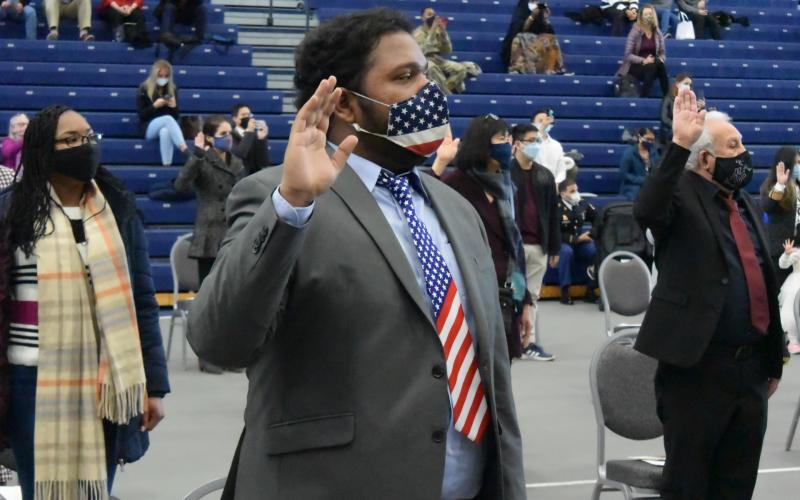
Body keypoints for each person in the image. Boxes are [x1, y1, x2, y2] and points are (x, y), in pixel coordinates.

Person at [186, 8, 525, 499]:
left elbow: (489, 376)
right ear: (344, 103)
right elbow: (218, 341)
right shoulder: (276, 197)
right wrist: (292, 206)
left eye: (425, 74)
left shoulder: (457, 208)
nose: (429, 91)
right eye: (404, 77)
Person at [0, 105, 170, 500]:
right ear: (45, 149)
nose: (84, 146)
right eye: (71, 140)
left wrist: (154, 387)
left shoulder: (119, 209)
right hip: (31, 382)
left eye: (89, 137)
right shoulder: (12, 211)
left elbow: (143, 302)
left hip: (108, 382)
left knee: (96, 489)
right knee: (39, 490)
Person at [634, 89, 786, 499]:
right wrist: (679, 143)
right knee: (689, 487)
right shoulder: (680, 195)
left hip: (750, 370)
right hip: (698, 370)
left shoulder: (743, 203)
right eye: (733, 146)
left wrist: (773, 356)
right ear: (705, 159)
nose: (744, 154)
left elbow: (761, 279)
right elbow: (647, 209)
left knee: (737, 485)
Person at [430, 115, 542, 362]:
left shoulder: (506, 186)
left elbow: (515, 249)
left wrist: (524, 303)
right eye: (501, 138)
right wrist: (439, 163)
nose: (508, 144)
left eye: (509, 138)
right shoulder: (457, 183)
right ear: (483, 144)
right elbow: (425, 205)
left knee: (503, 378)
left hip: (506, 295)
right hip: (471, 295)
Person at [175, 115, 244, 373]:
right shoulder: (202, 160)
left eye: (230, 133)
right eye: (223, 133)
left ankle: (228, 354)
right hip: (208, 234)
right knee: (209, 299)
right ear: (211, 137)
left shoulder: (236, 162)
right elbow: (180, 185)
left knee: (231, 298)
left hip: (232, 231)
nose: (229, 137)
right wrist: (197, 154)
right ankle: (206, 355)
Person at [510, 124, 560, 360]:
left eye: (537, 140)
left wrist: (554, 247)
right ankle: (512, 340)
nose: (536, 145)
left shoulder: (545, 175)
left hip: (538, 245)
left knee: (533, 295)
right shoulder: (505, 173)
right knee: (512, 295)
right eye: (531, 140)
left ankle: (528, 342)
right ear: (517, 144)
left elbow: (553, 213)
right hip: (512, 247)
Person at [414, 7, 481, 94]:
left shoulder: (438, 31)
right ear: (422, 18)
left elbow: (447, 50)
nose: (432, 17)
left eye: (433, 15)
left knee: (461, 69)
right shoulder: (419, 33)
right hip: (424, 60)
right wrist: (432, 32)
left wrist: (444, 32)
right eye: (429, 15)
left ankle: (445, 91)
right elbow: (423, 51)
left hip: (437, 58)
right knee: (432, 68)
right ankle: (447, 95)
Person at [759, 146, 800, 288]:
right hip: (780, 251)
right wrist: (780, 185)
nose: (798, 167)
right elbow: (767, 206)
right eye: (797, 163)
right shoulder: (772, 185)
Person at [137, 59, 189, 167]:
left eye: (166, 76)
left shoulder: (172, 89)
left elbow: (175, 117)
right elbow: (142, 116)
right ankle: (184, 149)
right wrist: (155, 106)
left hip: (166, 125)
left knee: (165, 131)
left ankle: (166, 165)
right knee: (167, 118)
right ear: (155, 75)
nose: (163, 79)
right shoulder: (143, 89)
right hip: (148, 126)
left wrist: (173, 106)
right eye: (160, 75)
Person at [557, 179, 597, 304]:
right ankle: (565, 291)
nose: (576, 193)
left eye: (577, 190)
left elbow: (598, 219)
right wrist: (577, 239)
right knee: (566, 252)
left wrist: (592, 233)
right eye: (572, 191)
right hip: (561, 242)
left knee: (592, 250)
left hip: (579, 241)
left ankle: (591, 288)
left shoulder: (582, 204)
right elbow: (553, 233)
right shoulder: (555, 207)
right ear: (563, 194)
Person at [616, 4, 669, 98]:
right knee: (652, 66)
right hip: (635, 66)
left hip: (653, 64)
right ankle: (662, 96)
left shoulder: (657, 32)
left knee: (658, 64)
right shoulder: (635, 31)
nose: (648, 16)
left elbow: (662, 53)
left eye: (650, 14)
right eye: (646, 14)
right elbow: (628, 55)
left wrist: (661, 59)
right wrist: (643, 60)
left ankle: (665, 95)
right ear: (641, 16)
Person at [508, 2, 568, 75]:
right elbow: (521, 29)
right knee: (518, 39)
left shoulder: (546, 24)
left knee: (552, 40)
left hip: (540, 44)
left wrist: (545, 18)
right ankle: (517, 68)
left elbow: (550, 32)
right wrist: (532, 17)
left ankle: (554, 68)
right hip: (526, 41)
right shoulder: (522, 12)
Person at [531, 108, 572, 184]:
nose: (544, 123)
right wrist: (541, 130)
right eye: (540, 121)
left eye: (546, 121)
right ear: (533, 124)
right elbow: (529, 154)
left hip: (553, 187)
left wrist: (556, 184)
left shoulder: (556, 145)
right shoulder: (527, 143)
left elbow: (561, 171)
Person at [619, 127, 661, 200]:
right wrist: (641, 180)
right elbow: (624, 174)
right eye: (648, 139)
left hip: (650, 185)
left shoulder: (654, 152)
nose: (650, 142)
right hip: (633, 187)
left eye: (652, 140)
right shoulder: (629, 153)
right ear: (640, 137)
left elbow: (658, 169)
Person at [230, 103, 270, 176]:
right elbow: (240, 154)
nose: (247, 117)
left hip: (253, 176)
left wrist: (261, 139)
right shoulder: (230, 135)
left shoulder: (254, 135)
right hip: (238, 176)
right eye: (243, 115)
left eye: (248, 115)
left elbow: (263, 162)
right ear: (235, 118)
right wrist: (249, 131)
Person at [660, 73, 700, 144]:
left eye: (690, 85)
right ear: (677, 84)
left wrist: (701, 109)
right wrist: (676, 125)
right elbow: (664, 118)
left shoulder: (691, 99)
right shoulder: (669, 98)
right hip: (673, 128)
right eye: (686, 83)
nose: (688, 86)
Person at [778, 240, 800, 354]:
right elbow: (782, 265)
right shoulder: (796, 252)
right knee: (791, 311)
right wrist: (787, 253)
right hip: (796, 283)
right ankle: (793, 340)